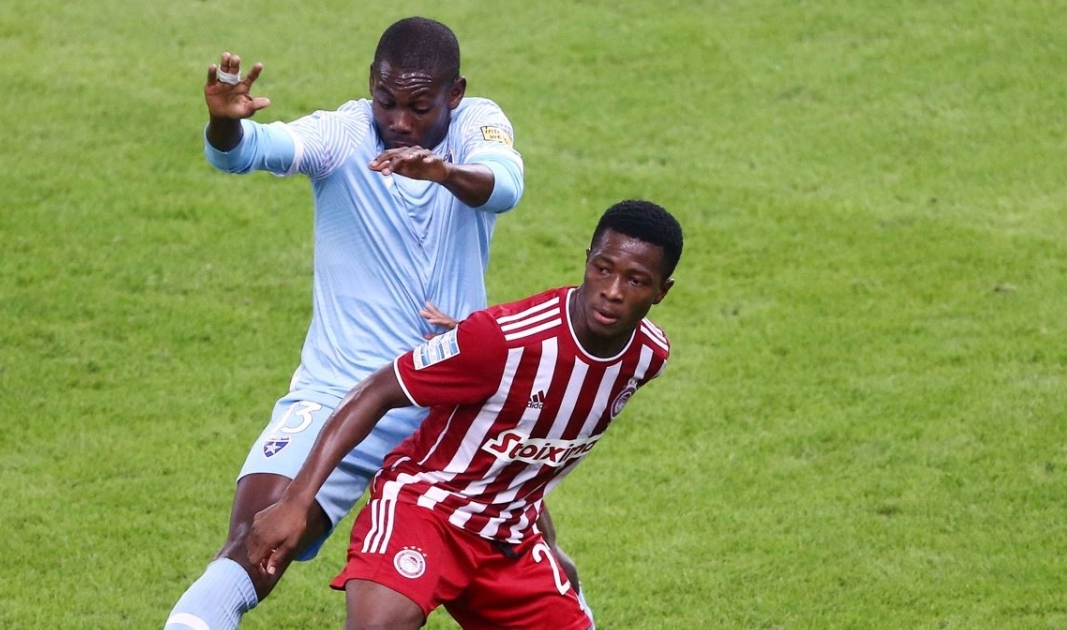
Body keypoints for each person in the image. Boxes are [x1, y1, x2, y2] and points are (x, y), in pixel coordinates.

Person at [164, 16, 590, 630]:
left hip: (450, 403)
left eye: (419, 107)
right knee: (255, 542)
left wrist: (441, 171)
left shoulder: (477, 124)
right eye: (387, 101)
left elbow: (505, 185)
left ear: (455, 93)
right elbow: (246, 152)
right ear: (371, 83)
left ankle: (552, 564)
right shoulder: (342, 136)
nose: (399, 122)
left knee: (533, 579)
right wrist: (226, 124)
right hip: (341, 393)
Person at [247, 199, 684, 630]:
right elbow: (374, 392)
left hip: (508, 538)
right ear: (587, 260)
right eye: (603, 269)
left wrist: (550, 546)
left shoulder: (648, 357)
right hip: (426, 509)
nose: (613, 291)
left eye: (636, 281)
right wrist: (296, 501)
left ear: (661, 292)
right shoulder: (502, 341)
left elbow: (532, 449)